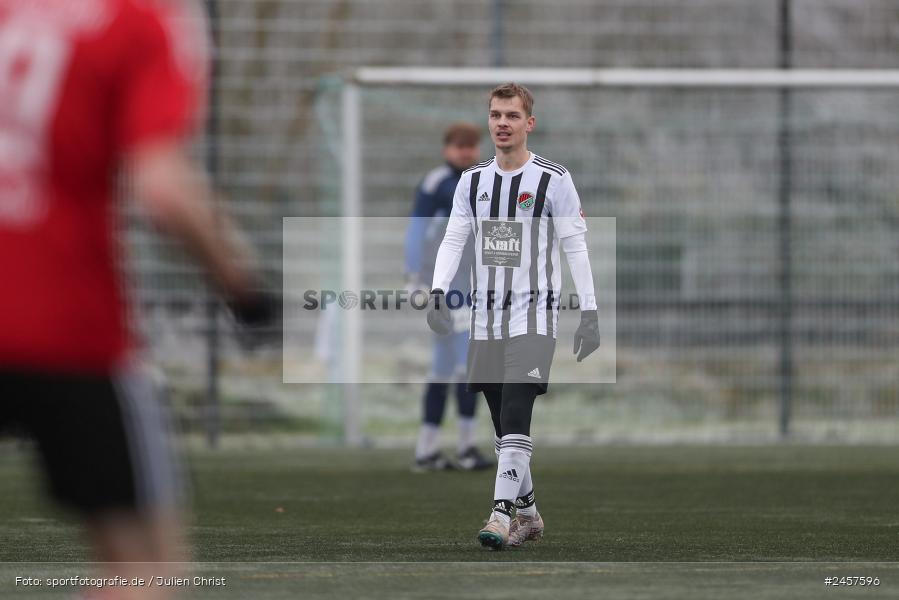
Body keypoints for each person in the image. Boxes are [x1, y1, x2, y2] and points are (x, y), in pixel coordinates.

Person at [0, 0, 274, 596]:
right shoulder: (139, 20)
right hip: (63, 329)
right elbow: (162, 188)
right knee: (142, 567)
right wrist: (242, 286)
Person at [427, 83, 601, 549]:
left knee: (517, 408)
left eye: (511, 115)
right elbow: (453, 238)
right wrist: (439, 291)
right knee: (503, 423)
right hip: (486, 318)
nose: (502, 122)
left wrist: (589, 311)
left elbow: (575, 245)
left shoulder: (553, 179)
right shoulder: (474, 180)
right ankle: (529, 514)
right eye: (495, 114)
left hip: (535, 315)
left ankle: (500, 515)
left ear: (529, 123)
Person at [405, 122, 492, 472]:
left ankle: (427, 451)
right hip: (446, 290)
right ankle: (465, 448)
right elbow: (416, 231)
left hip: (475, 287)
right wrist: (415, 279)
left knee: (448, 368)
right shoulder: (436, 183)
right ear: (446, 149)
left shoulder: (486, 180)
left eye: (471, 146)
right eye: (460, 146)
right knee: (462, 366)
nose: (466, 152)